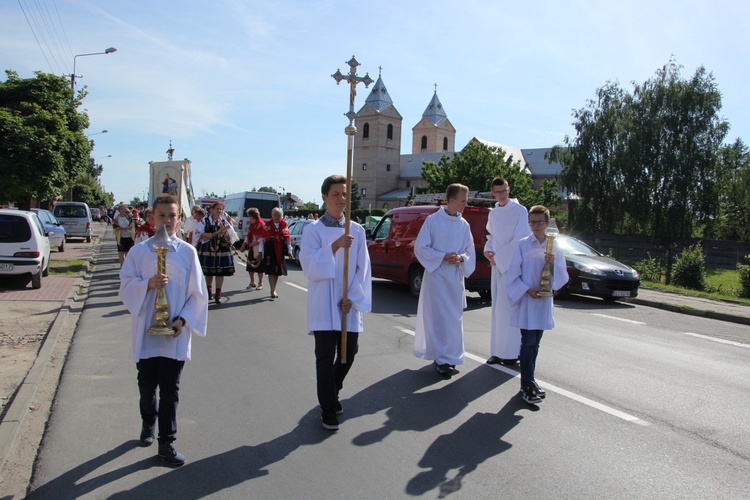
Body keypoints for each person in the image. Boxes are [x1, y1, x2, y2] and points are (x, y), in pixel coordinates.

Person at [118, 194, 209, 466]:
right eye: (162, 216)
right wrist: (147, 283)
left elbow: (198, 294)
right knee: (147, 386)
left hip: (175, 333)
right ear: (151, 218)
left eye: (172, 216)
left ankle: (167, 442)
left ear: (178, 219)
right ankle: (148, 421)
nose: (167, 221)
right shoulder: (139, 252)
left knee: (171, 388)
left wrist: (182, 320)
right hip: (147, 331)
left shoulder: (187, 252)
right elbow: (125, 285)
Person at [300, 174, 372, 430]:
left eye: (345, 194)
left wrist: (351, 298)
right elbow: (309, 266)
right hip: (323, 303)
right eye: (336, 194)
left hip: (346, 304)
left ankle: (332, 389)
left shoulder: (357, 230)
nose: (342, 199)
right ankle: (328, 407)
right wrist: (335, 246)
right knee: (324, 356)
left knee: (348, 354)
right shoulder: (313, 230)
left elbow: (363, 268)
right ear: (324, 198)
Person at [506, 205, 569, 405]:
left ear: (547, 223)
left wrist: (552, 262)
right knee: (528, 343)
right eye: (532, 222)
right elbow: (513, 274)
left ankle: (530, 381)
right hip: (527, 300)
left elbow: (561, 277)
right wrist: (526, 289)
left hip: (543, 302)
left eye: (539, 222)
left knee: (536, 344)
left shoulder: (555, 246)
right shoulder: (522, 245)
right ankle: (527, 384)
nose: (535, 226)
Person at [413, 183, 476, 376]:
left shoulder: (464, 224)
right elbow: (421, 248)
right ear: (451, 200)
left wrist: (460, 258)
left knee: (454, 319)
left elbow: (469, 251)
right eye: (463, 200)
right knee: (439, 319)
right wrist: (442, 256)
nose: (466, 204)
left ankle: (452, 357)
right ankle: (441, 359)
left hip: (455, 279)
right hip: (437, 278)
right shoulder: (432, 221)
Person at [483, 178, 532, 366]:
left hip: (513, 266)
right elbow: (492, 235)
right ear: (492, 193)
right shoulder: (493, 213)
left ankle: (511, 353)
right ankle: (497, 350)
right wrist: (488, 250)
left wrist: (499, 258)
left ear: (509, 190)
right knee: (497, 310)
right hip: (497, 265)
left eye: (504, 191)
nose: (502, 195)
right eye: (498, 191)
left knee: (510, 309)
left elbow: (522, 238)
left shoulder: (520, 211)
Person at [195, 201, 237, 304]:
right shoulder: (205, 221)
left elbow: (232, 236)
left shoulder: (224, 222)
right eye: (217, 208)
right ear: (212, 210)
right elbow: (197, 234)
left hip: (221, 249)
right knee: (209, 272)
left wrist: (226, 234)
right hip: (208, 248)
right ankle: (209, 291)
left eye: (221, 209)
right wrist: (205, 235)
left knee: (220, 272)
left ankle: (218, 294)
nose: (219, 211)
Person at [259, 207, 292, 299]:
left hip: (280, 249)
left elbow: (287, 239)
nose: (277, 217)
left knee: (277, 271)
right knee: (271, 271)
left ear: (282, 216)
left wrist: (289, 251)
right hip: (270, 248)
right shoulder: (267, 224)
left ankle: (274, 288)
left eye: (279, 215)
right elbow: (262, 239)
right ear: (271, 215)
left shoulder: (284, 224)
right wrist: (260, 251)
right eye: (275, 215)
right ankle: (272, 289)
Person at [239, 207, 266, 290]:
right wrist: (244, 245)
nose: (249, 218)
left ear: (252, 216)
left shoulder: (261, 224)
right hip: (252, 247)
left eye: (249, 216)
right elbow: (248, 235)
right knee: (250, 265)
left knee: (259, 266)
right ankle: (252, 282)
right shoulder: (252, 225)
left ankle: (260, 283)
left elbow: (263, 237)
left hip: (259, 248)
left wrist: (256, 242)